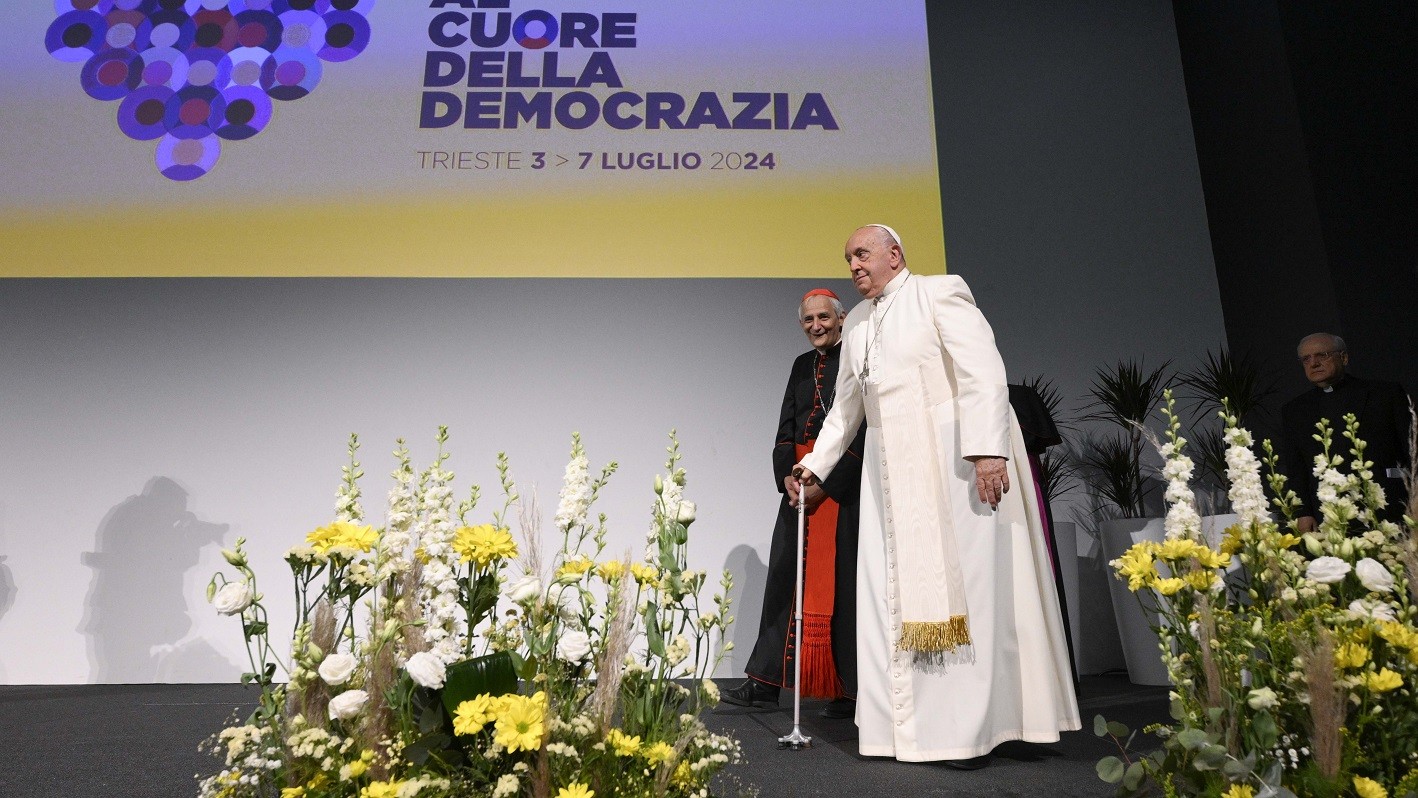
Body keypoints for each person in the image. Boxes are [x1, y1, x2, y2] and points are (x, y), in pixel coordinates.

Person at [791, 224, 1079, 767]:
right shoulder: (854, 324)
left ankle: (971, 732)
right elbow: (846, 410)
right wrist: (813, 468)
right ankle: (903, 732)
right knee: (887, 596)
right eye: (848, 257)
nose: (853, 265)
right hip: (887, 474)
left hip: (952, 463)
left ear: (894, 255)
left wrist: (989, 449)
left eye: (862, 254)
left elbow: (982, 370)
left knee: (970, 590)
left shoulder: (938, 292)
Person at [723, 289, 866, 720]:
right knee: (783, 579)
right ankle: (765, 684)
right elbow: (785, 430)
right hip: (799, 486)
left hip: (840, 489)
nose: (816, 326)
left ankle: (848, 691)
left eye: (823, 318)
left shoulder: (857, 358)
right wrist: (786, 475)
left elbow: (863, 432)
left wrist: (831, 482)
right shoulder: (801, 366)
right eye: (808, 320)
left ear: (841, 320)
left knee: (845, 587)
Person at [1280, 333, 1412, 532]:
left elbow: (1412, 449)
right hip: (1329, 515)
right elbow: (1296, 467)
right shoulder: (1295, 410)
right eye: (1306, 359)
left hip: (1388, 508)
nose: (1313, 363)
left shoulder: (1385, 394)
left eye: (1321, 355)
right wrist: (1302, 512)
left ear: (1344, 358)